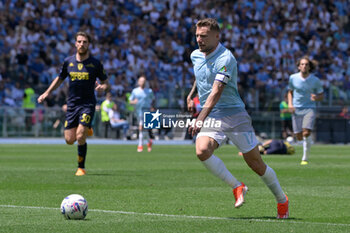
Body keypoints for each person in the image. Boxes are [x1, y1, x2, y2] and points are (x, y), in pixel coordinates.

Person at [186, 18, 288, 219]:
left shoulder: (226, 58)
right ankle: (237, 186)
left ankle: (281, 199)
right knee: (202, 150)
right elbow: (200, 77)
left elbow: (216, 90)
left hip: (235, 115)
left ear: (217, 36)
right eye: (197, 35)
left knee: (255, 164)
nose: (199, 39)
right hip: (213, 114)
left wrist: (200, 117)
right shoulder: (195, 55)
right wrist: (191, 95)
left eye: (204, 36)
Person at [37, 31, 109, 176]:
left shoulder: (95, 64)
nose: (82, 44)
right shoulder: (68, 62)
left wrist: (103, 87)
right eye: (80, 41)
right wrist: (47, 92)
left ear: (89, 44)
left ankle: (81, 167)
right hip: (72, 105)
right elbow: (59, 79)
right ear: (75, 43)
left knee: (80, 135)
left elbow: (105, 82)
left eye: (85, 42)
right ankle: (87, 127)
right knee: (70, 140)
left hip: (87, 104)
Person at [288, 56, 323, 165]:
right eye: (302, 64)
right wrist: (290, 104)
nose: (304, 66)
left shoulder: (315, 80)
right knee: (298, 136)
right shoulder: (293, 78)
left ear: (309, 67)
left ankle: (305, 158)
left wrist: (316, 98)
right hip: (297, 108)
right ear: (299, 66)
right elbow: (290, 92)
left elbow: (321, 95)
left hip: (309, 108)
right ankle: (305, 144)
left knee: (306, 132)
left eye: (306, 64)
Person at [129, 75, 155, 152]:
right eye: (141, 81)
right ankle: (149, 142)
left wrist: (152, 107)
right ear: (138, 82)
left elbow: (153, 99)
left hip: (146, 111)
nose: (142, 82)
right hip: (138, 111)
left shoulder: (149, 91)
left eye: (143, 81)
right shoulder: (135, 91)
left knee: (141, 127)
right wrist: (134, 102)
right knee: (144, 129)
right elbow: (130, 101)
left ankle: (140, 145)